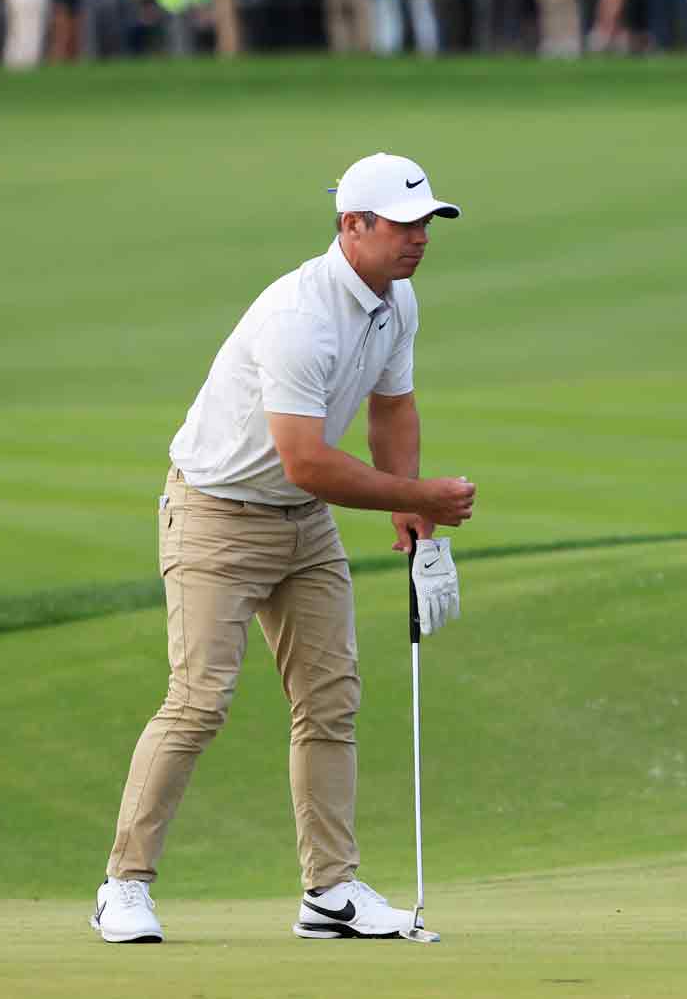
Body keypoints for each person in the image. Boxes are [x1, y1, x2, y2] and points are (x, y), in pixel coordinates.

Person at [89, 152, 476, 944]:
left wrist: (411, 510)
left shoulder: (395, 302)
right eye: (402, 225)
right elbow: (305, 457)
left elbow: (391, 411)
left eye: (426, 224)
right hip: (216, 516)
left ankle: (330, 891)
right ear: (352, 226)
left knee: (331, 702)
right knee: (199, 700)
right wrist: (417, 493)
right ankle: (122, 885)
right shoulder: (299, 315)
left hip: (303, 523)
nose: (418, 240)